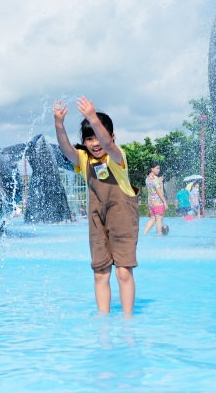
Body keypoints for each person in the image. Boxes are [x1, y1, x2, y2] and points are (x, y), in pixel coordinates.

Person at [54, 96, 139, 316]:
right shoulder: (84, 160)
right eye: (89, 138)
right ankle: (104, 321)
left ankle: (128, 320)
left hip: (122, 216)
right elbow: (66, 150)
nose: (95, 143)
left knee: (123, 271)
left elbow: (108, 145)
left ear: (111, 136)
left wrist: (92, 117)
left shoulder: (117, 157)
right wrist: (59, 124)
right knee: (100, 272)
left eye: (98, 135)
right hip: (96, 218)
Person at [143, 162, 168, 235]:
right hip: (158, 202)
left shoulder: (147, 178)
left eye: (159, 168)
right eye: (157, 168)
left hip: (151, 202)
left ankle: (144, 234)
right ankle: (159, 234)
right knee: (159, 219)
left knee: (153, 218)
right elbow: (160, 192)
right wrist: (165, 202)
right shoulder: (155, 179)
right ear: (152, 169)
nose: (158, 170)